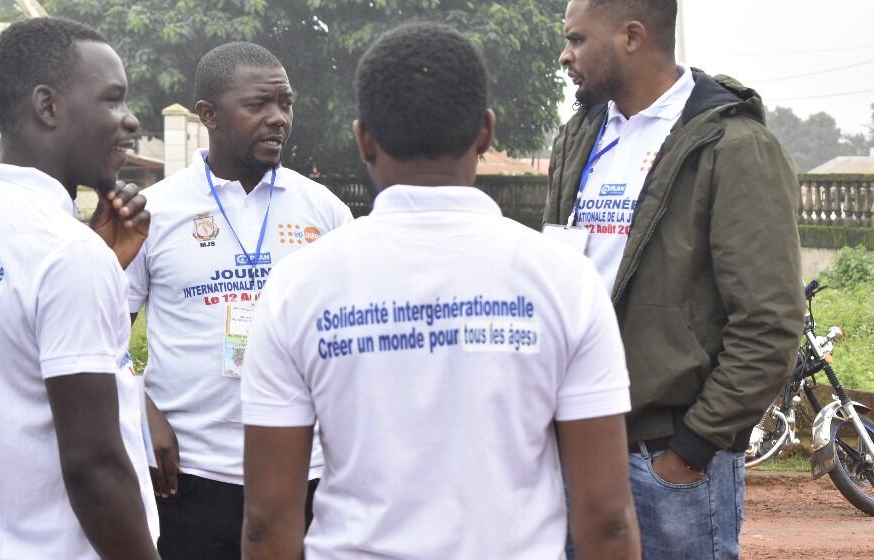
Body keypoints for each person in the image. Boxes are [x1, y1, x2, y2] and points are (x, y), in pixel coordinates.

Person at [239, 22, 641, 560]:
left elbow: (268, 521)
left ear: (363, 139)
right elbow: (607, 518)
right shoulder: (565, 281)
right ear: (486, 133)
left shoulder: (298, 286)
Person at [546, 1, 804, 558]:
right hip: (575, 452)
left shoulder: (734, 147)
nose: (566, 56)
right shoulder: (578, 138)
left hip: (669, 466)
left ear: (632, 37)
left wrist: (690, 450)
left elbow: (768, 323)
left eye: (578, 40)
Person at [0, 17, 159, 559]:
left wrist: (106, 267)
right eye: (113, 100)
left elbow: (16, 375)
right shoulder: (67, 254)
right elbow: (93, 466)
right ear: (48, 107)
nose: (131, 119)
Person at [125, 41, 352, 559]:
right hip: (189, 473)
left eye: (286, 104)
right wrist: (143, 410)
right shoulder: (153, 212)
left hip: (307, 473)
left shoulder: (326, 211)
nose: (278, 119)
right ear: (209, 115)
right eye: (258, 105)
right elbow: (103, 332)